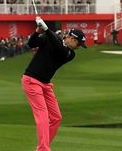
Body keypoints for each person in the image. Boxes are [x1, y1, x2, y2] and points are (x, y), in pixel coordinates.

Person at [22, 17, 86, 151]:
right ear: (72, 39)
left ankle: (42, 147)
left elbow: (58, 47)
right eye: (79, 44)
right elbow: (31, 44)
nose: (79, 47)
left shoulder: (70, 53)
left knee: (56, 117)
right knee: (43, 116)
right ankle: (43, 149)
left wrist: (46, 29)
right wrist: (38, 31)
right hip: (31, 80)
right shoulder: (49, 39)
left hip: (45, 84)